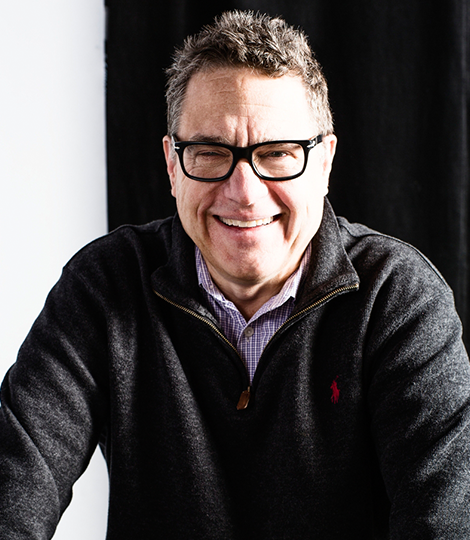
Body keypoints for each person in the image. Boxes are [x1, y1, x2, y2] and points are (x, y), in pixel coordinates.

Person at [1, 10, 470, 539]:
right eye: (209, 153)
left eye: (277, 154)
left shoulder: (399, 300)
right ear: (173, 165)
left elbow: (444, 526)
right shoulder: (104, 285)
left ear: (324, 163)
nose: (244, 191)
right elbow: (15, 485)